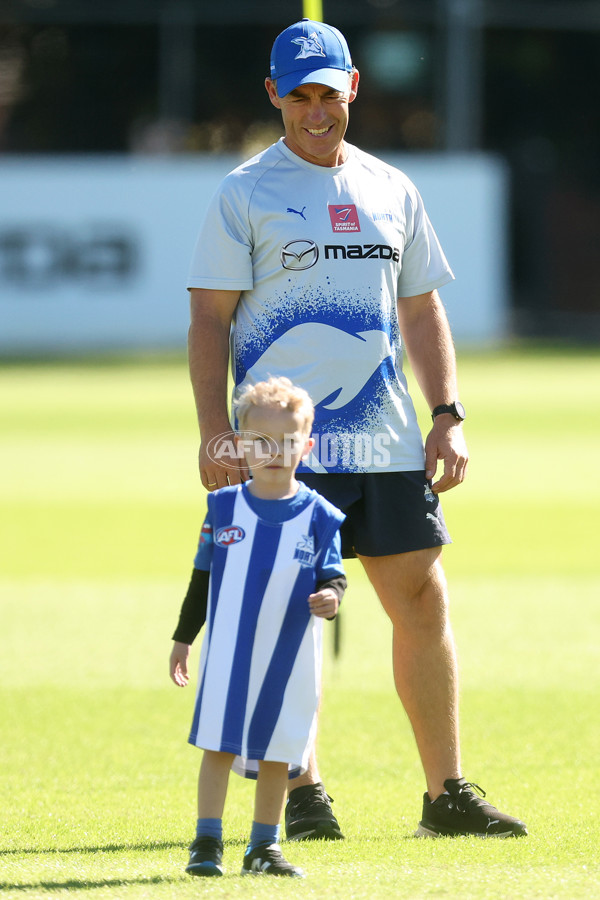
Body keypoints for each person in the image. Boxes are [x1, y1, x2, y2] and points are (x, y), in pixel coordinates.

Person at [185, 18, 527, 839]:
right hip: (283, 451)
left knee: (421, 598)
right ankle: (301, 793)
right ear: (273, 94)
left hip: (387, 439)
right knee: (289, 612)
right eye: (298, 96)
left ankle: (446, 794)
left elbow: (421, 307)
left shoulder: (391, 188)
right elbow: (209, 322)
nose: (315, 111)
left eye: (328, 95)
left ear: (353, 90)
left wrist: (447, 415)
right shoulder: (243, 192)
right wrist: (213, 433)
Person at [169, 376, 347, 877]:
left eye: (288, 442)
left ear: (306, 445)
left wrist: (330, 597)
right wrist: (184, 638)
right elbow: (202, 577)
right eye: (262, 443)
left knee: (278, 751)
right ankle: (207, 843)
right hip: (229, 652)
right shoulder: (224, 507)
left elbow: (334, 575)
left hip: (290, 658)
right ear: (241, 444)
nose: (275, 453)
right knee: (218, 746)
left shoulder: (319, 515)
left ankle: (264, 848)